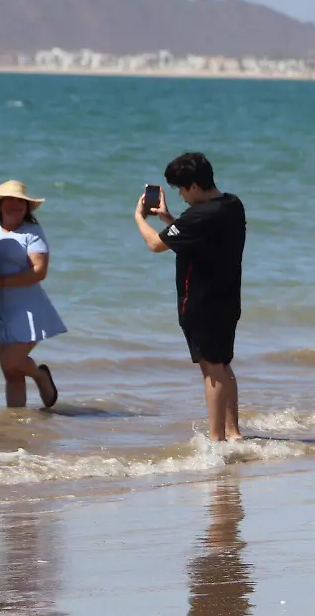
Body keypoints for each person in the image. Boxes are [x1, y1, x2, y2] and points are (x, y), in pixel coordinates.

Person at [134, 152, 246, 442]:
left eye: (182, 189)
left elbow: (156, 244)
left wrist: (139, 218)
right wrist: (169, 219)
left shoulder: (198, 216)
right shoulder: (232, 205)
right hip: (228, 299)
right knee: (223, 364)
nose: (182, 195)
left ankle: (215, 439)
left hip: (200, 301)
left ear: (194, 186)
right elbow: (198, 239)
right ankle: (233, 433)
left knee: (211, 369)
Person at [0, 180, 65, 409]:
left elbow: (39, 271)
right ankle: (16, 425)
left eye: (21, 202)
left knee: (13, 361)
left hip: (29, 307)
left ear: (27, 207)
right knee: (10, 374)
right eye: (10, 200)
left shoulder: (33, 232)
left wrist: (2, 281)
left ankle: (40, 375)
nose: (15, 205)